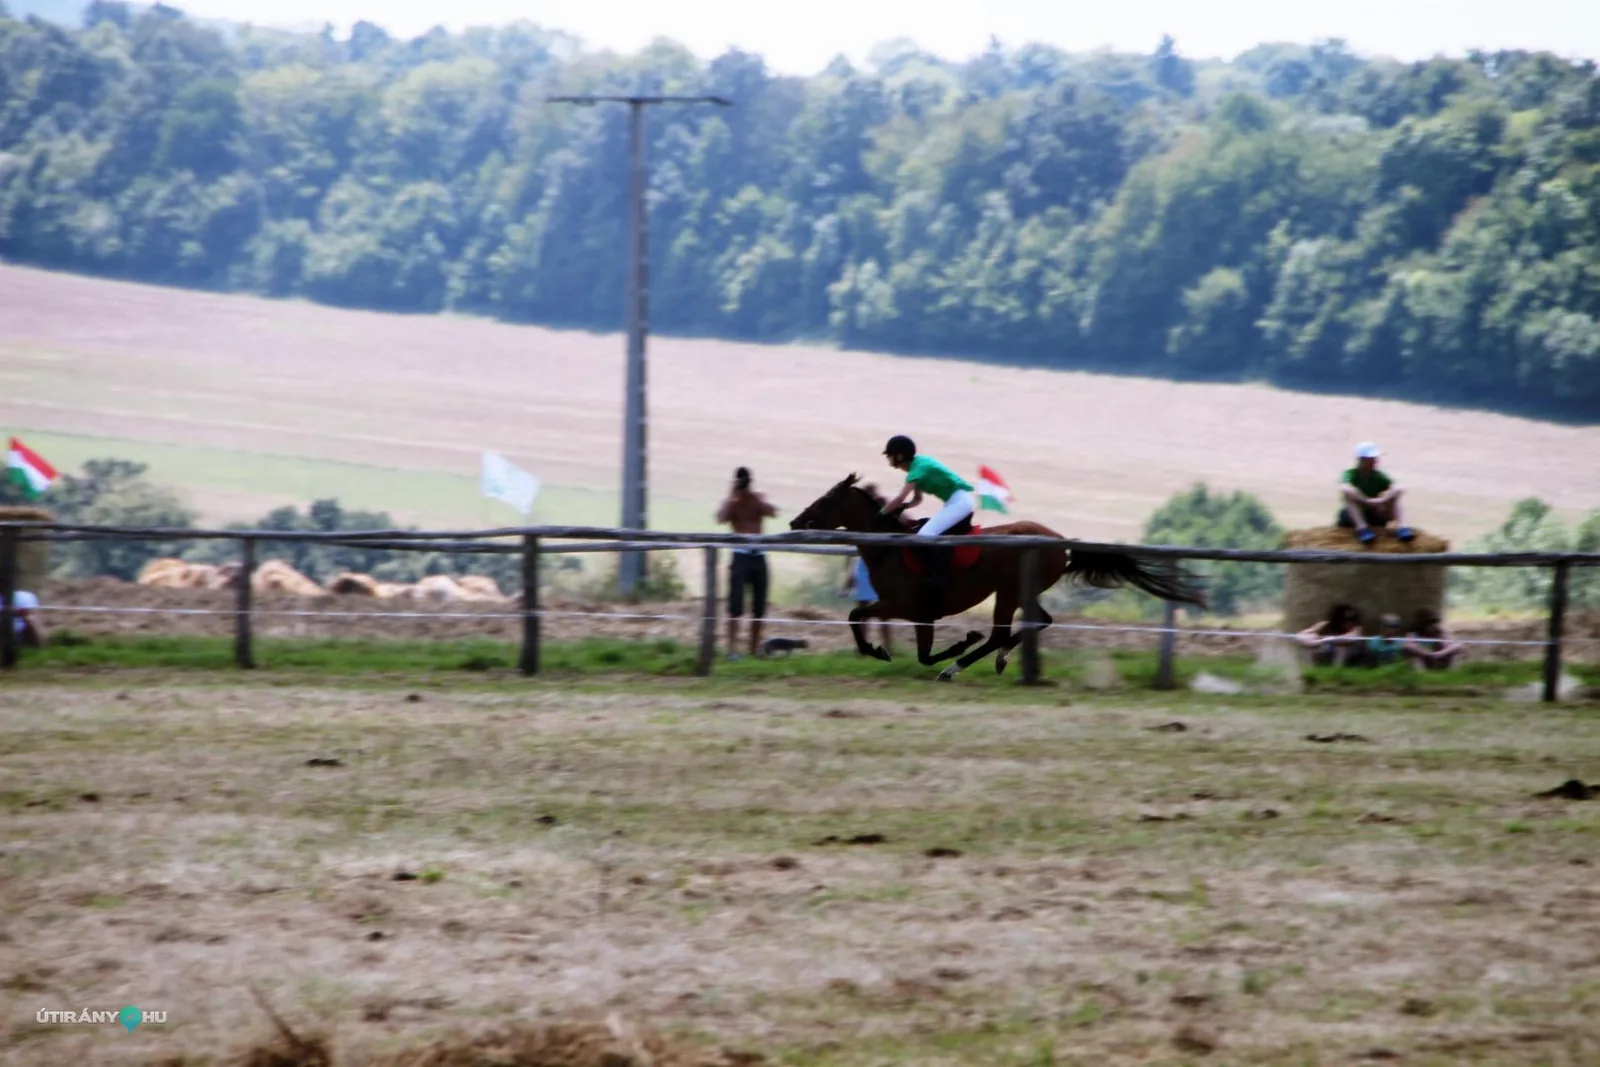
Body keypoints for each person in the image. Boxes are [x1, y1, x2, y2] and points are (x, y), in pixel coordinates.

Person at [878, 435, 975, 609]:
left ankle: (939, 577)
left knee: (924, 535)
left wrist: (882, 513)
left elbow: (900, 497)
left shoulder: (917, 470)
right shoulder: (915, 468)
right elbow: (916, 500)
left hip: (960, 502)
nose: (888, 458)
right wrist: (904, 507)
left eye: (890, 455)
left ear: (899, 456)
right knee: (924, 530)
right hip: (956, 501)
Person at [715, 466, 777, 659]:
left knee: (759, 606)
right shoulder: (733, 503)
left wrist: (755, 498)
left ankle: (753, 648)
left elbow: (773, 512)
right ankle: (732, 649)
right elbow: (720, 518)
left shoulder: (756, 500)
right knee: (735, 605)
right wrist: (732, 497)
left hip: (758, 555)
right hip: (740, 555)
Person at [1338, 442, 1415, 545]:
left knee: (1395, 494)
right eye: (1371, 459)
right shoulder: (1351, 474)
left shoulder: (1378, 476)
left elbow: (1399, 488)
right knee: (1348, 494)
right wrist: (1365, 501)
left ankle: (1402, 527)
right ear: (1361, 460)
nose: (1375, 461)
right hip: (1353, 515)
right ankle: (1362, 529)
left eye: (1375, 459)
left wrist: (1381, 500)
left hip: (1374, 513)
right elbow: (1345, 488)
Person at [842, 555, 893, 655]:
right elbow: (850, 553)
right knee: (862, 614)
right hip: (863, 567)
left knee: (884, 614)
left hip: (880, 568)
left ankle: (888, 648)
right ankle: (862, 648)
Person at [1294, 602, 1368, 667]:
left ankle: (1337, 671)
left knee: (1341, 648)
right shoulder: (1325, 625)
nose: (1349, 623)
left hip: (1347, 656)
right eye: (1345, 619)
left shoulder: (1356, 628)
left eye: (1352, 619)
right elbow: (1300, 635)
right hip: (1325, 654)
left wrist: (1323, 639)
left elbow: (1351, 637)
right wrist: (1312, 639)